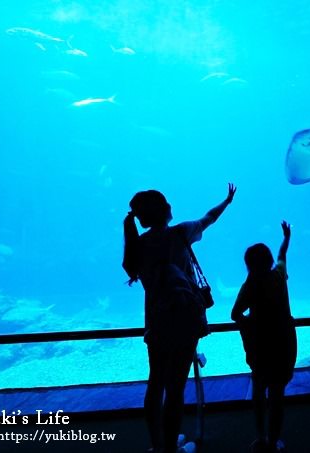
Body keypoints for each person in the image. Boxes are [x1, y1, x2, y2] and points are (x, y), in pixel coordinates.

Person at [123, 184, 236, 453]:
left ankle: (157, 445)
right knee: (175, 389)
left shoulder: (138, 246)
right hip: (185, 323)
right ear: (164, 210)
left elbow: (133, 268)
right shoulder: (182, 233)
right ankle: (172, 447)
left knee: (156, 383)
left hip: (157, 324)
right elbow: (209, 218)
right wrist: (227, 201)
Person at [231, 221, 297, 453]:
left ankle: (260, 437)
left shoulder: (250, 285)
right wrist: (286, 238)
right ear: (268, 262)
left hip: (260, 346)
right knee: (277, 394)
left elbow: (235, 314)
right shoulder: (278, 276)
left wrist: (252, 325)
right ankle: (273, 440)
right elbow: (282, 255)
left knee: (259, 391)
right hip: (283, 342)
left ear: (248, 265)